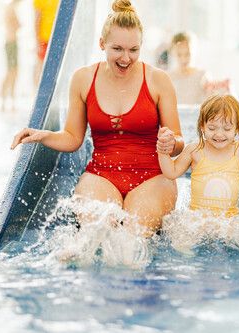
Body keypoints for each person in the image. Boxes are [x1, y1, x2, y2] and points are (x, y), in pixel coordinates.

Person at [11, 0, 184, 236]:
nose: (126, 58)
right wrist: (43, 135)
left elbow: (178, 143)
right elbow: (73, 138)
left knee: (133, 238)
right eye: (117, 49)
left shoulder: (158, 80)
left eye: (134, 50)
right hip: (102, 175)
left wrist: (171, 142)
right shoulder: (83, 79)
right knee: (97, 234)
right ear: (102, 44)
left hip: (153, 178)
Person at [157, 94, 239, 258]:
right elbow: (171, 172)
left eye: (227, 129)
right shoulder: (195, 150)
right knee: (181, 239)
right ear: (202, 126)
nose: (219, 134)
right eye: (212, 128)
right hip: (198, 218)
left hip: (228, 219)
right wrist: (163, 153)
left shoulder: (238, 150)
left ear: (237, 129)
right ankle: (187, 256)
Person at [167, 32, 229, 105]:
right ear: (172, 53)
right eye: (179, 55)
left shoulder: (203, 75)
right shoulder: (168, 77)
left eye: (188, 54)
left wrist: (221, 91)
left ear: (194, 51)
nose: (183, 59)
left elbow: (211, 102)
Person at [1, 0, 21, 111]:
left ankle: (10, 101)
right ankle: (4, 101)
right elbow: (17, 25)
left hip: (11, 42)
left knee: (13, 72)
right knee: (11, 72)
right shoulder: (11, 8)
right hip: (11, 42)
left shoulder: (9, 8)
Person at [33, 0, 59, 86]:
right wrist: (37, 42)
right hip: (45, 39)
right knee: (40, 66)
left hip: (57, 39)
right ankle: (37, 93)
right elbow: (37, 19)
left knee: (53, 69)